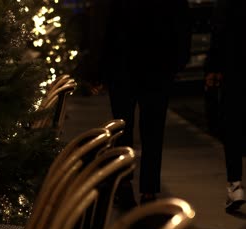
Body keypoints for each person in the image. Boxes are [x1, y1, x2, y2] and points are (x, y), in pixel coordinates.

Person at [96, 0, 192, 208]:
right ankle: (148, 190)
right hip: (157, 65)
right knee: (153, 131)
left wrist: (101, 69)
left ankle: (125, 184)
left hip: (124, 65)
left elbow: (106, 23)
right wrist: (178, 60)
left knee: (123, 129)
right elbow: (181, 20)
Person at [204, 0, 246, 211]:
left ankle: (235, 184)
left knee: (233, 127)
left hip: (236, 67)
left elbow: (219, 29)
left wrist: (213, 67)